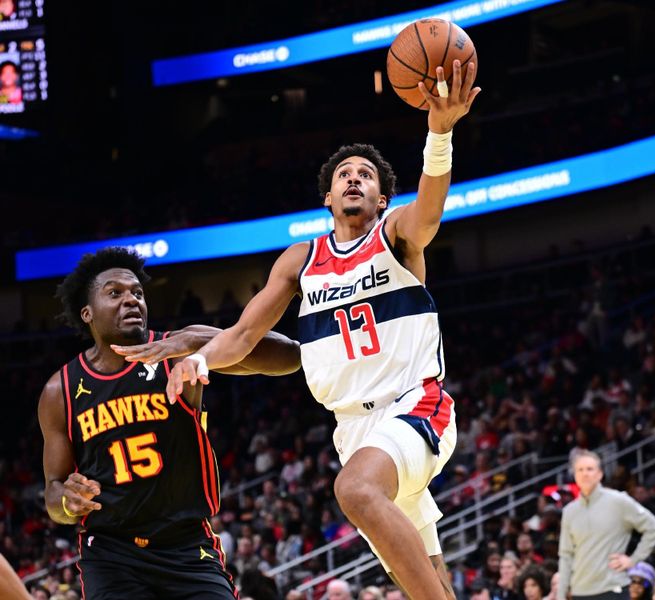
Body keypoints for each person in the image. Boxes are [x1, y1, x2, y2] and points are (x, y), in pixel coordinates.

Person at [149, 59, 480, 600]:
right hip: (353, 430)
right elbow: (243, 335)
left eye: (366, 175)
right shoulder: (301, 260)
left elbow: (429, 211)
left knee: (354, 491)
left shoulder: (395, 236)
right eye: (343, 174)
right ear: (327, 197)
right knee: (420, 575)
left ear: (380, 199)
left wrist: (438, 133)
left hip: (414, 407)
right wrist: (199, 359)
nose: (354, 177)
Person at [37, 247, 301, 599]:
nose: (131, 300)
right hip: (112, 553)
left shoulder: (178, 347)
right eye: (115, 293)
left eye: (137, 293)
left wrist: (198, 342)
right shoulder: (61, 390)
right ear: (87, 313)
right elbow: (53, 492)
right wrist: (68, 502)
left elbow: (288, 357)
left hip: (187, 545)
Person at [558, 449, 655, 600]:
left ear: (600, 473)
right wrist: (561, 595)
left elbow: (654, 528)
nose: (585, 473)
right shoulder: (569, 511)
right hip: (580, 591)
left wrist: (633, 560)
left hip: (613, 587)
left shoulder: (618, 501)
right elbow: (566, 556)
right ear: (574, 475)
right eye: (580, 470)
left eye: (590, 469)